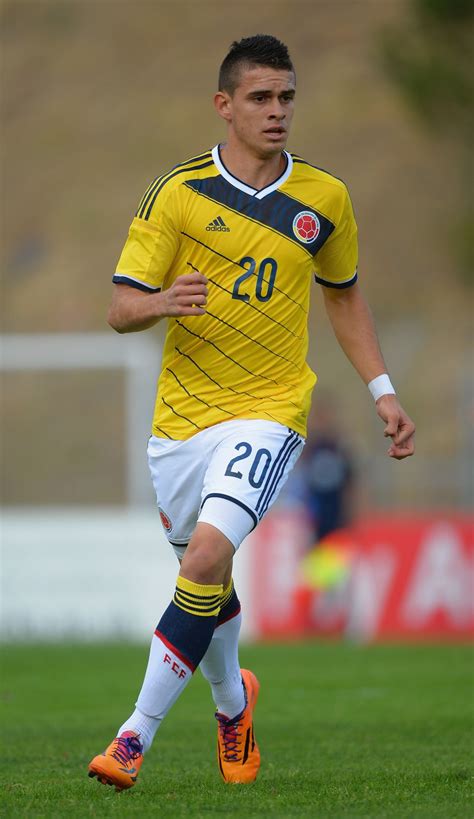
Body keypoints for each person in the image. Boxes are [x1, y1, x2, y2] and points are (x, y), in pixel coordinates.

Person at [88, 34, 415, 792]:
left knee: (203, 560)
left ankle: (133, 737)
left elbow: (345, 294)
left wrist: (383, 389)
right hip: (179, 423)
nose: (278, 112)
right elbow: (119, 306)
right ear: (225, 106)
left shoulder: (325, 199)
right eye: (262, 98)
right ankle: (235, 702)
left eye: (287, 97)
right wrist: (164, 301)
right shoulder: (176, 193)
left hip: (269, 411)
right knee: (208, 576)